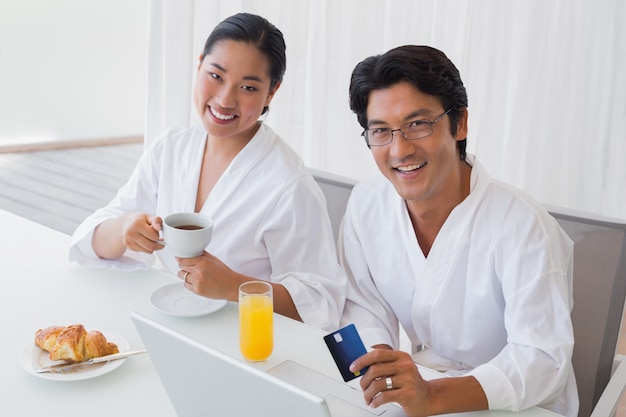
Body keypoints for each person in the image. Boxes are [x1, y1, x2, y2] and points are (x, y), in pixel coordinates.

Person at [339, 45, 578, 417]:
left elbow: (543, 360)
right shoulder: (365, 204)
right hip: (418, 389)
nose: (399, 149)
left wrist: (434, 397)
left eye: (418, 124)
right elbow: (357, 304)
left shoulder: (523, 226)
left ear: (460, 122)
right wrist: (380, 360)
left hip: (514, 404)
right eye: (381, 131)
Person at [69, 13, 345, 330]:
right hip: (165, 325)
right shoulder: (170, 149)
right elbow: (90, 241)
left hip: (245, 345)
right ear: (199, 64)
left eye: (248, 87)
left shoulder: (289, 186)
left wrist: (235, 287)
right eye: (216, 76)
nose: (226, 99)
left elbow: (321, 303)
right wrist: (123, 230)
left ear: (272, 92)